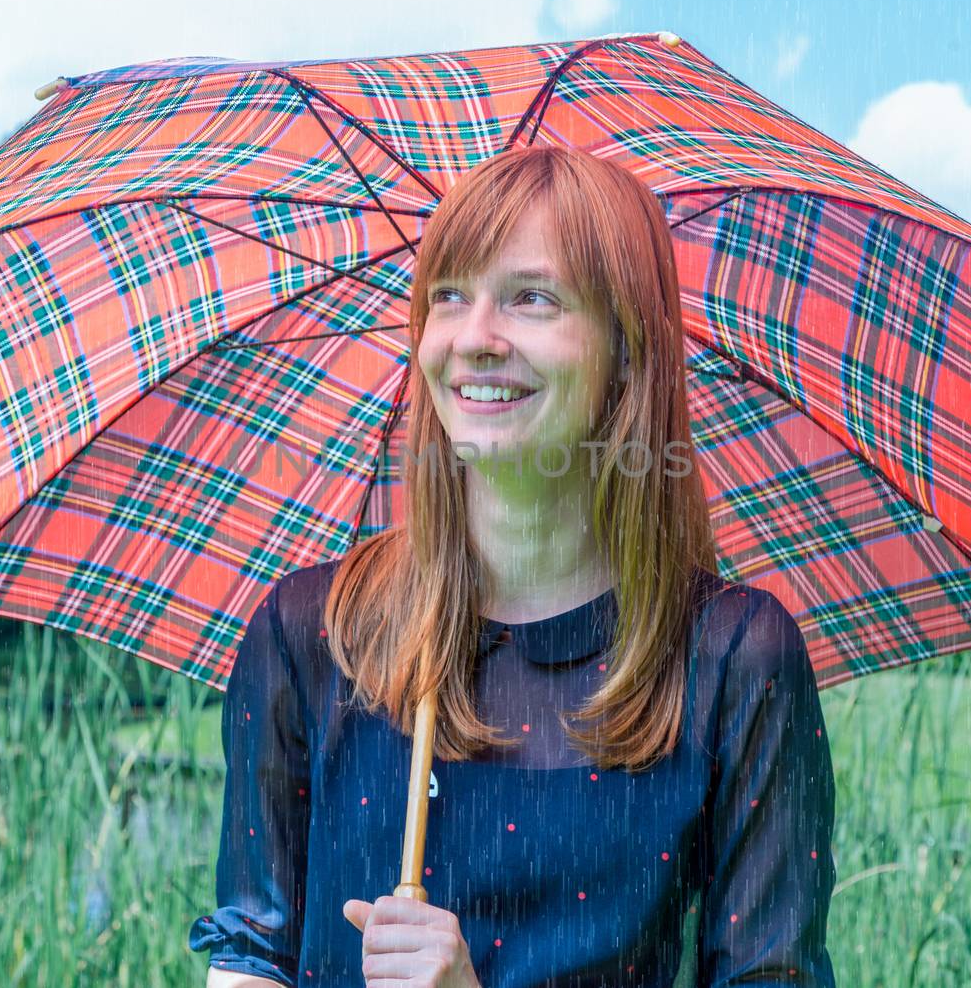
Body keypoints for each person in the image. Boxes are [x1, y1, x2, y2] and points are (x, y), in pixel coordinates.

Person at [190, 146, 837, 986]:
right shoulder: (309, 636)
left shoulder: (734, 660)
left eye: (531, 298)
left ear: (627, 353)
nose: (473, 338)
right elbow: (252, 955)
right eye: (448, 295)